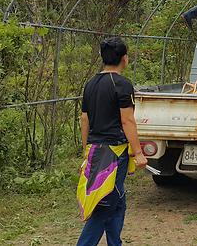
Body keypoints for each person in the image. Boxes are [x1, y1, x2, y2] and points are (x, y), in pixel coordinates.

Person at [77, 37, 147, 246]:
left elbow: (84, 119)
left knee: (118, 201)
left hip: (95, 149)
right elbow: (127, 120)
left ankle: (115, 243)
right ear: (124, 58)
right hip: (114, 154)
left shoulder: (91, 84)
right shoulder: (122, 85)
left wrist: (85, 149)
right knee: (106, 204)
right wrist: (138, 153)